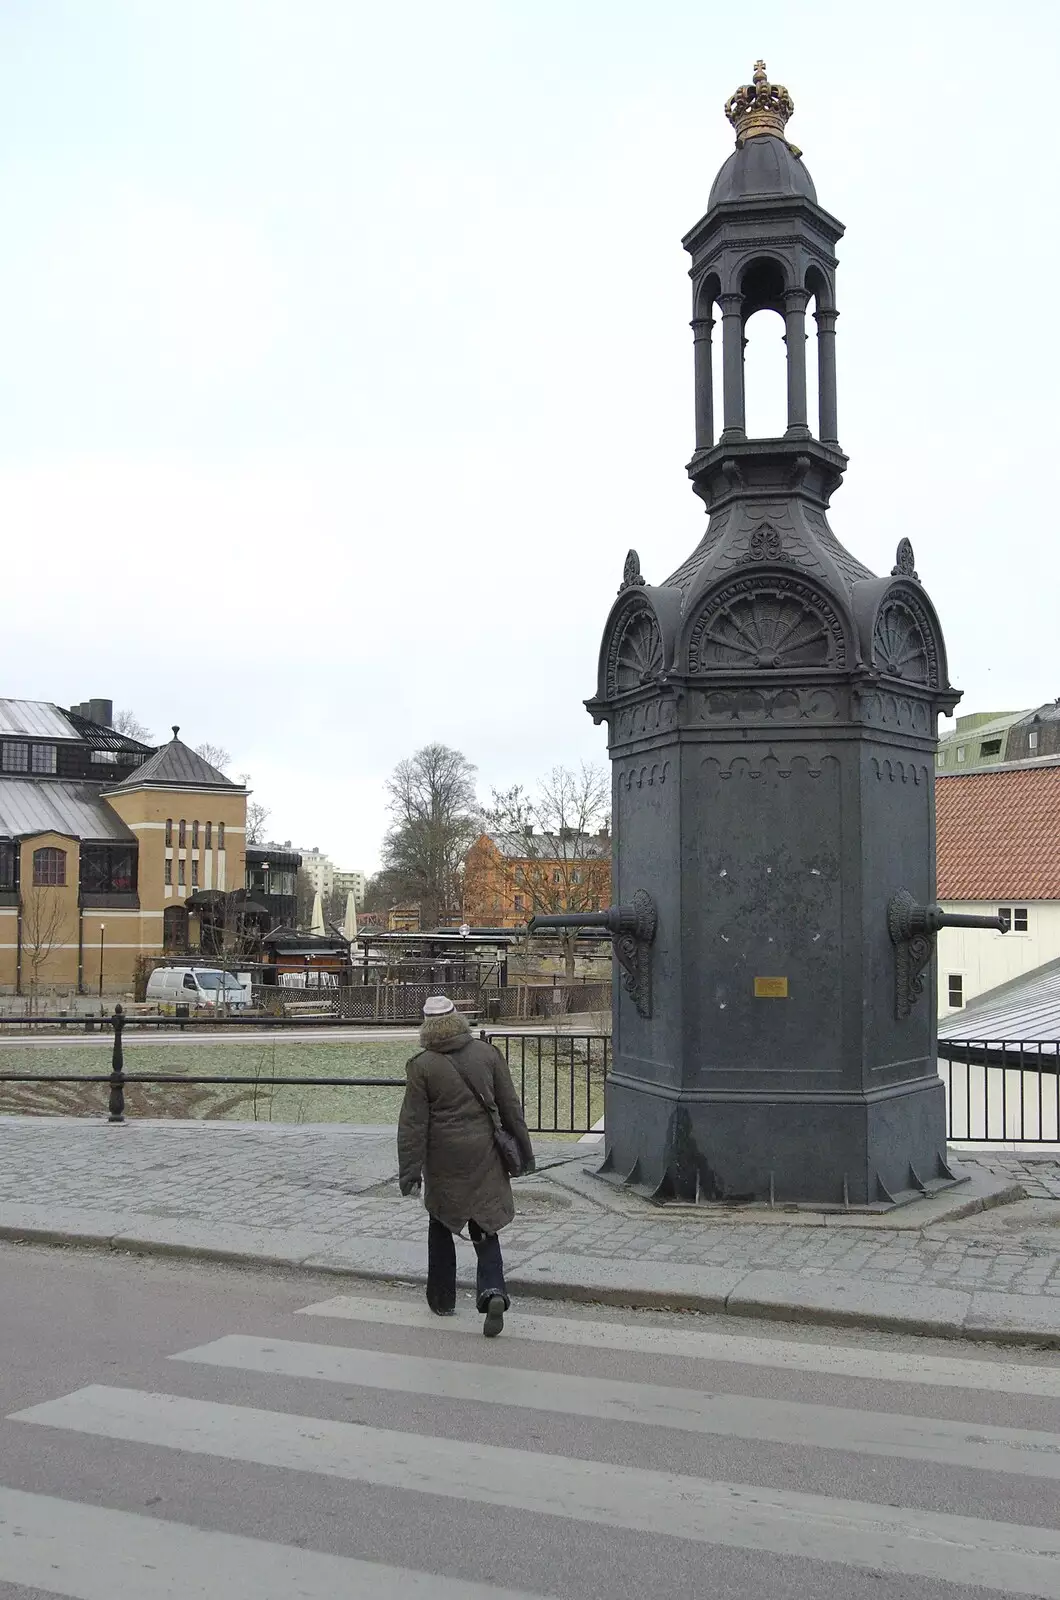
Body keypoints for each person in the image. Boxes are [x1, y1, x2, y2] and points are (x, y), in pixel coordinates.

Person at [397, 995, 535, 1337]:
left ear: (426, 1025)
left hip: (443, 1157)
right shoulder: (487, 1055)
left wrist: (410, 1173)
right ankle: (493, 1292)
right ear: (457, 1019)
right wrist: (525, 1155)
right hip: (484, 1152)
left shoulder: (421, 1066)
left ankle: (442, 1298)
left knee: (441, 1220)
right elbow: (510, 1108)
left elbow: (413, 1126)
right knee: (485, 1222)